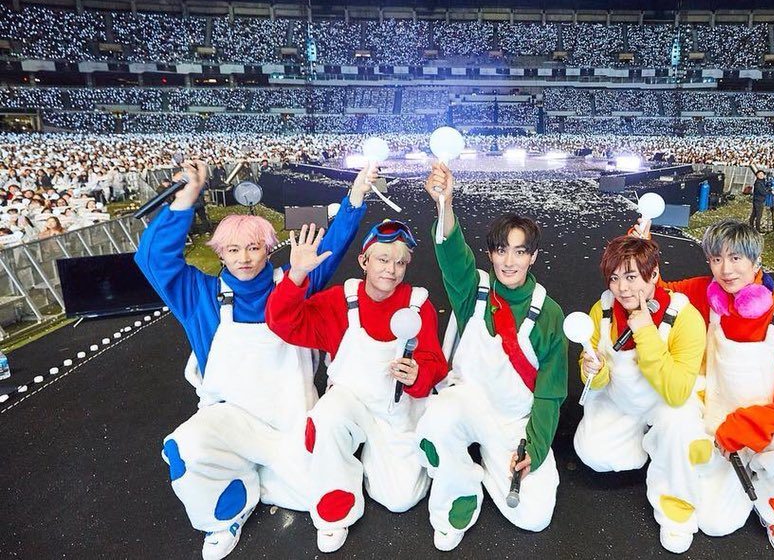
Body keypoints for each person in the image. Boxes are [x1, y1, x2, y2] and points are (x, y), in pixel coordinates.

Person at [134, 159, 372, 560]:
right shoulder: (200, 295)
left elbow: (331, 247)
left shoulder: (294, 280)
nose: (243, 258)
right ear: (219, 253)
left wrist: (356, 197)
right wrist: (185, 199)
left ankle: (284, 487)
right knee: (184, 448)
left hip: (290, 421)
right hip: (231, 421)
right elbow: (153, 260)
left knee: (325, 495)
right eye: (233, 249)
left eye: (253, 247)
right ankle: (226, 512)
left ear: (268, 248)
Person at [264, 219, 447, 552]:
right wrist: (296, 276)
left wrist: (418, 374)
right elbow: (283, 323)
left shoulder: (418, 305)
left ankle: (385, 457)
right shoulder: (340, 300)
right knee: (326, 418)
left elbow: (435, 363)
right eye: (383, 259)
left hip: (395, 411)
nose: (391, 269)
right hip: (349, 403)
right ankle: (336, 504)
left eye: (400, 263)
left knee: (400, 499)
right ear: (364, 261)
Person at [416, 162, 566, 551]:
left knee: (535, 517)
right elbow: (452, 255)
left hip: (513, 422)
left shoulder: (549, 313)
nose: (509, 262)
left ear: (533, 257)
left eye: (520, 252)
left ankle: (484, 463)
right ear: (490, 254)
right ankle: (462, 487)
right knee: (433, 425)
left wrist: (535, 448)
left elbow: (550, 393)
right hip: (466, 403)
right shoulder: (475, 291)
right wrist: (444, 204)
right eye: (501, 251)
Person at [660, 219, 774, 560]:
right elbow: (660, 292)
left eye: (736, 258)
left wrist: (742, 428)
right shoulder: (709, 295)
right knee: (715, 523)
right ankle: (748, 483)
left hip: (771, 429)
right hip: (721, 430)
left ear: (756, 261)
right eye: (716, 259)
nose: (726, 269)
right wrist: (642, 246)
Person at [573, 234, 707, 553]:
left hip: (666, 402)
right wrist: (592, 369)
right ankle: (652, 446)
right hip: (621, 400)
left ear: (654, 274)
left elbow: (676, 392)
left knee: (679, 425)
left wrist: (645, 332)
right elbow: (594, 374)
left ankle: (677, 512)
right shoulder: (602, 309)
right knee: (593, 455)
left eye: (631, 277)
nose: (622, 288)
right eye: (614, 278)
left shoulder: (685, 317)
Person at [750, 166, 769, 232]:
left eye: (762, 174)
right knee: (758, 215)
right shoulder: (758, 183)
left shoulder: (762, 182)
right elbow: (762, 192)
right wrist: (768, 192)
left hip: (757, 200)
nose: (761, 175)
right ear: (757, 175)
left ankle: (751, 226)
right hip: (759, 200)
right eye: (759, 174)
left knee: (754, 213)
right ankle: (757, 229)